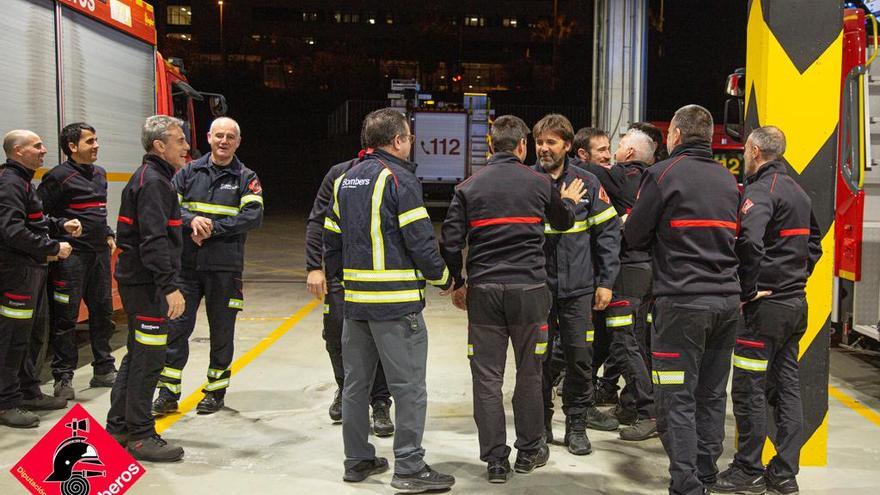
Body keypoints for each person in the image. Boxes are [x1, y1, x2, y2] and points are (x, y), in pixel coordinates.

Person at [441, 115, 585, 483]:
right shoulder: (539, 182)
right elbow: (564, 222)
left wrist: (458, 282)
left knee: (487, 378)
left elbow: (451, 241)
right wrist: (566, 201)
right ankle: (529, 451)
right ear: (523, 146)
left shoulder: (467, 187)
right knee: (529, 372)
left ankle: (495, 461)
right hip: (530, 293)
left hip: (485, 292)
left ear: (490, 146)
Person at [323, 108, 455, 492]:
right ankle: (410, 468)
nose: (411, 142)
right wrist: (444, 278)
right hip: (396, 307)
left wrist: (341, 286)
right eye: (409, 136)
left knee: (355, 385)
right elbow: (420, 239)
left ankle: (357, 459)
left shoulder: (344, 180)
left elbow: (331, 240)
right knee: (409, 388)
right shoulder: (400, 178)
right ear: (397, 140)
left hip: (355, 305)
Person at [624, 105, 741, 495]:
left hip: (681, 304)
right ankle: (707, 475)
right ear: (707, 137)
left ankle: (687, 485)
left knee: (676, 398)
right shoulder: (728, 179)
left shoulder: (661, 175)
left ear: (674, 134)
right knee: (710, 395)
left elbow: (636, 236)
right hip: (726, 303)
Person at [712, 126, 821, 495]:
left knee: (748, 389)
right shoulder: (798, 192)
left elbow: (748, 242)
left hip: (765, 311)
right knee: (787, 387)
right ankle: (785, 472)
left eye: (745, 149)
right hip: (795, 305)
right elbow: (815, 243)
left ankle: (748, 469)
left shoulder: (761, 192)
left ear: (756, 150)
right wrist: (796, 276)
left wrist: (748, 290)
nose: (743, 155)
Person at [152, 117, 263, 416]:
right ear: (209, 137)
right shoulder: (188, 172)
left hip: (225, 268)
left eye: (230, 137)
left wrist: (214, 228)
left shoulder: (245, 176)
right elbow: (170, 205)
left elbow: (254, 215)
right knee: (176, 329)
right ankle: (167, 392)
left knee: (222, 332)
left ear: (238, 142)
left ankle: (215, 392)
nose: (224, 141)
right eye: (219, 136)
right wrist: (192, 221)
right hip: (186, 267)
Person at [530, 114, 620, 457]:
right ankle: (540, 428)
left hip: (579, 289)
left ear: (567, 146)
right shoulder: (528, 182)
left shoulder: (588, 183)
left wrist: (606, 281)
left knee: (580, 360)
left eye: (551, 142)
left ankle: (577, 426)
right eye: (540, 142)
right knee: (536, 361)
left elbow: (608, 235)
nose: (544, 148)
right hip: (538, 289)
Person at [106, 115, 188, 463]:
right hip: (147, 284)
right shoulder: (154, 182)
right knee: (151, 357)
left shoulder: (152, 178)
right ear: (159, 145)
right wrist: (169, 286)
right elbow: (153, 240)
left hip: (139, 280)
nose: (186, 147)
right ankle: (140, 435)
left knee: (138, 353)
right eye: (179, 140)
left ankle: (119, 426)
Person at [305, 149, 394, 435]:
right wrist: (314, 267)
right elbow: (317, 221)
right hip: (341, 275)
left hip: (379, 275)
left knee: (379, 339)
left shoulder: (394, 174)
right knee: (335, 334)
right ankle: (345, 390)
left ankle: (380, 402)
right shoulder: (338, 173)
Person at [37, 123, 118, 401]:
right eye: (90, 141)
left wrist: (107, 232)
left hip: (98, 256)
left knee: (103, 313)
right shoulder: (57, 177)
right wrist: (61, 226)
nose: (96, 145)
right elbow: (37, 217)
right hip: (71, 260)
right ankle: (63, 377)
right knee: (65, 319)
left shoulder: (100, 174)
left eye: (96, 140)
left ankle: (104, 369)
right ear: (72, 147)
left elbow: (98, 211)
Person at [0, 130, 74, 428]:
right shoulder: (9, 183)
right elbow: (11, 231)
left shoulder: (22, 181)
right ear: (18, 151)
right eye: (37, 146)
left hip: (32, 271)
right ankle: (5, 402)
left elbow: (34, 221)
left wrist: (59, 224)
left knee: (32, 335)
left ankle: (28, 390)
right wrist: (53, 247)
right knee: (12, 339)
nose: (44, 150)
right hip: (16, 274)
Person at [599, 129, 658, 442]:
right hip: (649, 272)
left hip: (626, 271)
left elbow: (588, 171)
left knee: (623, 341)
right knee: (637, 339)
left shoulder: (623, 176)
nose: (612, 153)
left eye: (618, 147)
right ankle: (630, 404)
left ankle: (649, 411)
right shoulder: (655, 182)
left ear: (631, 154)